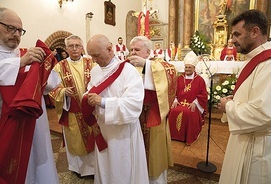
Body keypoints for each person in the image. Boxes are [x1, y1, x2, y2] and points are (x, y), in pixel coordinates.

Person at [0, 7, 59, 184]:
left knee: (35, 167)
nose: (16, 34)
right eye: (11, 28)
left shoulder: (25, 53)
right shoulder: (22, 58)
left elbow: (52, 84)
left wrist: (44, 67)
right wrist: (20, 63)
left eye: (19, 30)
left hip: (33, 126)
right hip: (4, 124)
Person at [218, 9, 271, 184]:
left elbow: (263, 113)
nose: (232, 40)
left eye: (237, 34)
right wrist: (234, 101)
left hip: (258, 148)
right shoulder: (252, 61)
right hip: (245, 139)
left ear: (255, 32)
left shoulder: (270, 65)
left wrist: (228, 106)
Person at [83, 34, 149, 184]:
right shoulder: (95, 71)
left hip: (123, 134)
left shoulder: (128, 72)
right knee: (105, 168)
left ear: (109, 49)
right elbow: (91, 91)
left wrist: (104, 102)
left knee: (122, 171)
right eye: (91, 56)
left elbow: (134, 106)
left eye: (96, 55)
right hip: (103, 129)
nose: (93, 60)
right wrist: (87, 97)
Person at [128, 36, 177, 183]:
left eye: (137, 49)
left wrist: (146, 65)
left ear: (148, 52)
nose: (133, 53)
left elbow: (171, 73)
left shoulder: (158, 64)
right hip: (134, 114)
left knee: (154, 151)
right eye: (131, 50)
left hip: (153, 112)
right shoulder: (128, 65)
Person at [49, 35, 96, 178]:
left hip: (91, 110)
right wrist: (63, 91)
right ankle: (79, 168)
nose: (74, 49)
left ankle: (95, 168)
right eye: (71, 46)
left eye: (77, 45)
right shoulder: (59, 66)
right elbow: (52, 87)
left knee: (94, 136)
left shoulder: (92, 62)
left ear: (82, 47)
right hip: (72, 111)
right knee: (75, 139)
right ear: (66, 48)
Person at [168, 51, 208, 145]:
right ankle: (172, 135)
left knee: (189, 112)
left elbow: (203, 94)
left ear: (194, 68)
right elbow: (173, 91)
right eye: (186, 67)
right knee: (173, 110)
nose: (187, 69)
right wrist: (175, 100)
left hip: (192, 104)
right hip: (179, 103)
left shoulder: (199, 80)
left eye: (190, 67)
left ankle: (188, 137)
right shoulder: (179, 78)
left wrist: (195, 103)